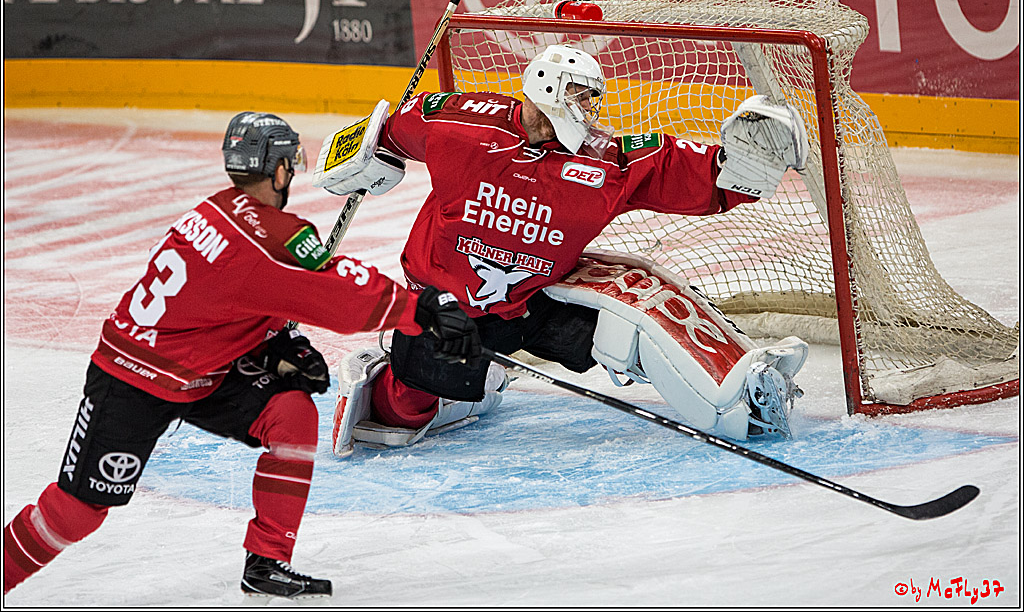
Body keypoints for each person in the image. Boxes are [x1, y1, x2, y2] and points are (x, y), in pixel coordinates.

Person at [2, 112, 481, 600]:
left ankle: (267, 561)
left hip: (202, 367)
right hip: (133, 379)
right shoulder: (269, 239)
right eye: (288, 164)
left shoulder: (219, 209)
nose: (291, 174)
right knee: (76, 510)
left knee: (291, 411)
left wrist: (274, 342)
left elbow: (230, 297)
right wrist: (422, 308)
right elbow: (335, 292)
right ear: (277, 170)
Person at [323, 44, 809, 456]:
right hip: (444, 308)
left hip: (535, 301)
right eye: (578, 95)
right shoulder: (461, 128)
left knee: (636, 311)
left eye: (590, 99)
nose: (587, 109)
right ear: (546, 89)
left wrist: (741, 165)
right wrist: (367, 154)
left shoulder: (604, 163)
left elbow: (691, 176)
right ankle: (411, 385)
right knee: (400, 420)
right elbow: (390, 128)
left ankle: (746, 392)